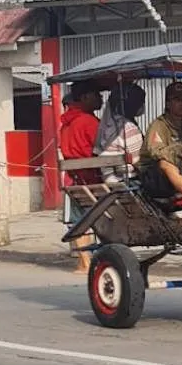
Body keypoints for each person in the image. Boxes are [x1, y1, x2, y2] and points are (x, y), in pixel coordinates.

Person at [140, 80, 182, 209]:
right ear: (168, 103)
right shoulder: (159, 125)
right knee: (165, 163)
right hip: (155, 179)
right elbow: (157, 152)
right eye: (177, 100)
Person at [58, 80, 104, 273]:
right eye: (97, 94)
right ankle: (87, 261)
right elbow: (101, 148)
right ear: (85, 97)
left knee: (80, 221)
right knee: (96, 219)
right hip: (92, 179)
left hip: (74, 179)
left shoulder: (67, 123)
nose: (101, 98)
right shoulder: (89, 121)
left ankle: (83, 261)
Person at [94, 83, 146, 183]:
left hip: (109, 181)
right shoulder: (128, 128)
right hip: (129, 182)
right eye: (141, 102)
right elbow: (139, 162)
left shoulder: (107, 126)